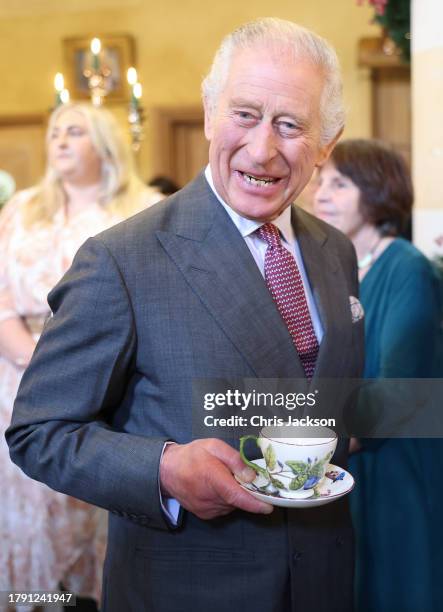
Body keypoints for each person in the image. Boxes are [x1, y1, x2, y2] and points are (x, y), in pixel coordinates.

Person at [7, 19, 364, 612]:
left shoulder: (336, 251)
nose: (262, 148)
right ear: (208, 114)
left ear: (328, 140)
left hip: (324, 577)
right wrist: (165, 469)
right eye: (244, 115)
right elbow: (39, 432)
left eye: (291, 125)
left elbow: (328, 401)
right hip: (189, 587)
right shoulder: (122, 259)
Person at [0, 102, 159, 610]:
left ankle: (96, 599)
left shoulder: (142, 209)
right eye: (54, 132)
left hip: (107, 381)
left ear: (106, 145)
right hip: (16, 375)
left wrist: (70, 364)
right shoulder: (21, 208)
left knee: (93, 502)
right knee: (30, 507)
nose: (60, 141)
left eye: (75, 132)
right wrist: (31, 357)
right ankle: (36, 600)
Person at [313, 138, 443, 611]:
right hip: (348, 465)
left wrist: (311, 446)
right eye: (321, 182)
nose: (320, 194)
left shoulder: (407, 268)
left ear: (377, 191)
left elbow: (399, 393)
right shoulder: (335, 269)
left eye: (339, 184)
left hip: (396, 468)